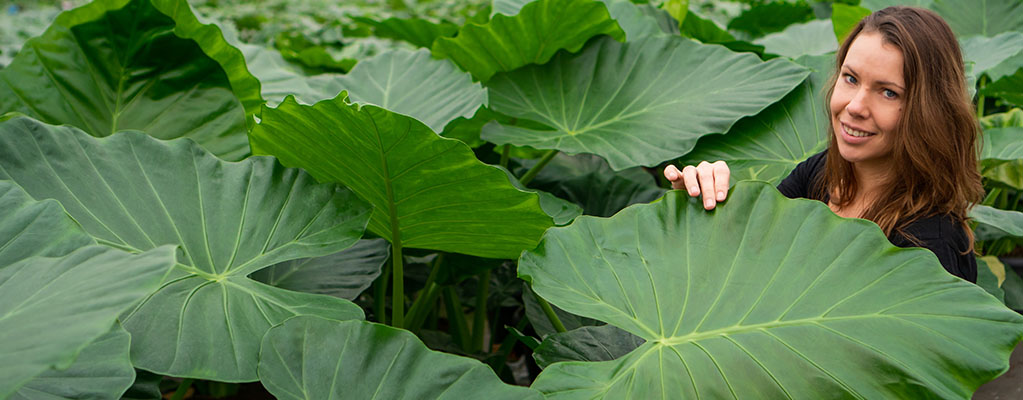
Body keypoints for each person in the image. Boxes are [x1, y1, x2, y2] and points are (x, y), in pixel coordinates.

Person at [664, 6, 984, 283]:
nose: (856, 106)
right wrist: (702, 207)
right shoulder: (822, 175)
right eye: (851, 78)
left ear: (929, 110)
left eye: (888, 92)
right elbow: (744, 255)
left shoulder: (928, 246)